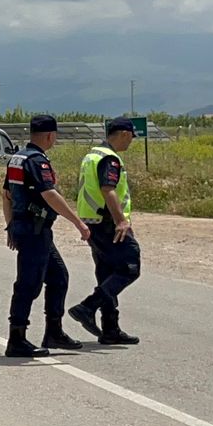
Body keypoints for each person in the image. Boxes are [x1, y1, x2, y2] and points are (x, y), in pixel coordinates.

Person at [1, 114, 91, 358]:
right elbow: (49, 195)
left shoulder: (18, 158)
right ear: (50, 136)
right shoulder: (36, 162)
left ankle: (54, 331)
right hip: (34, 230)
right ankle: (16, 339)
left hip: (28, 228)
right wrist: (78, 223)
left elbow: (6, 195)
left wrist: (10, 226)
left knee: (59, 276)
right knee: (28, 285)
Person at [69, 118, 142, 345]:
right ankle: (88, 307)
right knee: (130, 267)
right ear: (122, 134)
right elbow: (108, 190)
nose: (131, 141)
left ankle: (110, 328)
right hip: (107, 222)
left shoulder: (92, 155)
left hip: (93, 221)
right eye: (131, 136)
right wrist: (121, 220)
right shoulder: (109, 159)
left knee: (107, 271)